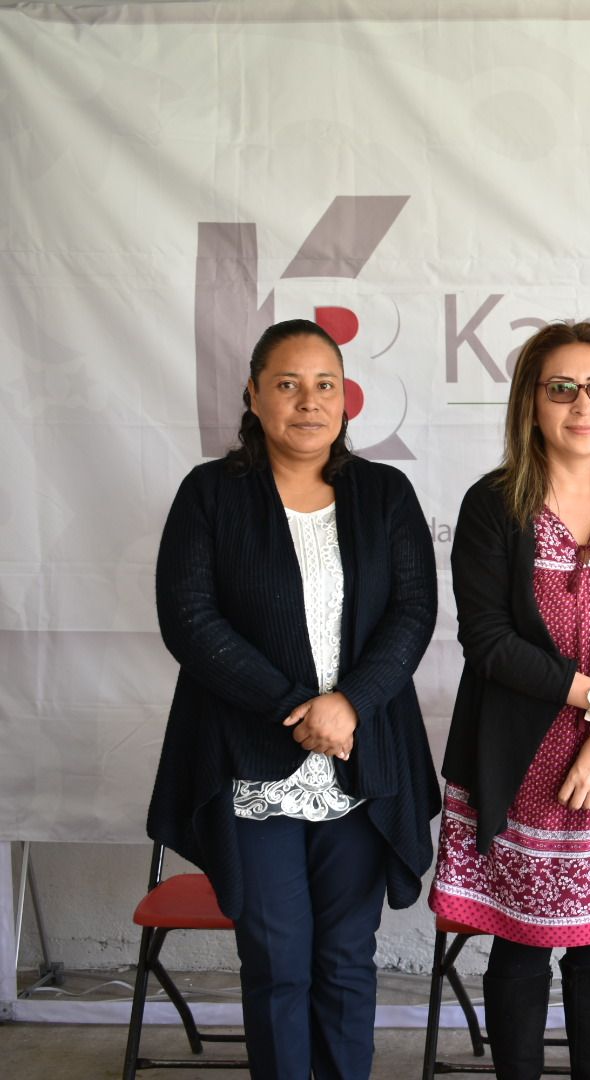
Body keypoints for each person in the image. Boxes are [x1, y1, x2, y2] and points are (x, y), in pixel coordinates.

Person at [147, 318, 441, 1080]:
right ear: (253, 394)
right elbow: (189, 618)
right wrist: (298, 706)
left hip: (360, 761)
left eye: (325, 385)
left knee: (345, 959)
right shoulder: (211, 494)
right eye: (288, 384)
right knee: (277, 963)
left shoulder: (385, 494)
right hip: (251, 766)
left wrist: (349, 703)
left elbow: (414, 611)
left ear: (345, 399)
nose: (309, 402)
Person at [428, 322, 590, 1080]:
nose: (584, 404)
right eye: (562, 388)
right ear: (531, 403)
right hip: (518, 760)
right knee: (519, 947)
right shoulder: (491, 505)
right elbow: (487, 640)